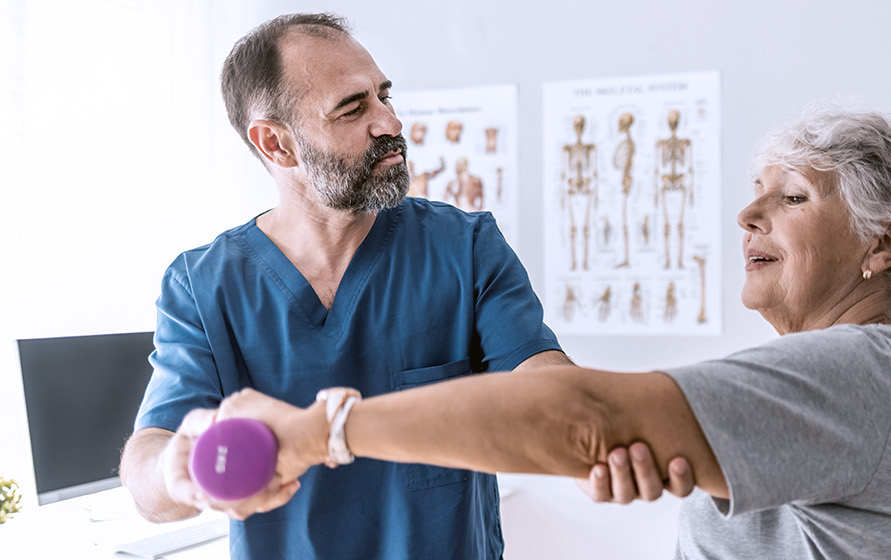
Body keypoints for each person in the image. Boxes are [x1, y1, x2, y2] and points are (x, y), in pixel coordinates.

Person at [197, 107, 891, 558]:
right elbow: (590, 429)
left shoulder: (860, 371)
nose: (748, 214)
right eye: (755, 193)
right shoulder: (844, 378)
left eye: (795, 197)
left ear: (884, 246)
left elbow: (579, 417)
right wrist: (608, 444)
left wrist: (317, 432)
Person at [119, 13, 682, 560]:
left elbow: (545, 389)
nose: (389, 123)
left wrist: (591, 441)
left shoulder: (465, 248)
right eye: (352, 108)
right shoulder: (203, 286)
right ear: (276, 145)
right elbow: (149, 471)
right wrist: (178, 470)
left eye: (384, 96)